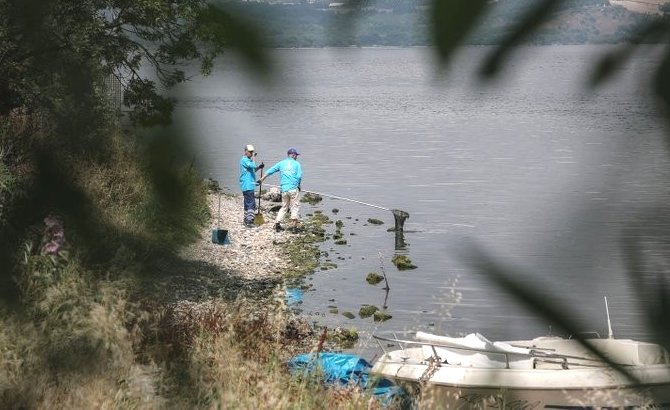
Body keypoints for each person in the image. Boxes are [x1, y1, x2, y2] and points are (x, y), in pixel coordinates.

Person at [259, 148, 302, 234]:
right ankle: (294, 228)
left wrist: (261, 179)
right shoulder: (297, 164)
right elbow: (299, 176)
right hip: (293, 189)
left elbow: (271, 170)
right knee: (294, 207)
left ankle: (277, 224)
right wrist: (298, 185)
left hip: (284, 190)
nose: (297, 157)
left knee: (284, 207)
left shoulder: (281, 163)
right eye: (296, 155)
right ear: (292, 155)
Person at [239, 144, 264, 227]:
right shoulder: (244, 160)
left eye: (252, 152)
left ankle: (246, 219)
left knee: (247, 202)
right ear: (245, 151)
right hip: (247, 185)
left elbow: (252, 170)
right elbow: (252, 165)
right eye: (250, 152)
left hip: (249, 185)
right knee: (251, 203)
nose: (251, 153)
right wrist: (254, 158)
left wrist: (259, 167)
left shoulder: (248, 161)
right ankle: (249, 221)